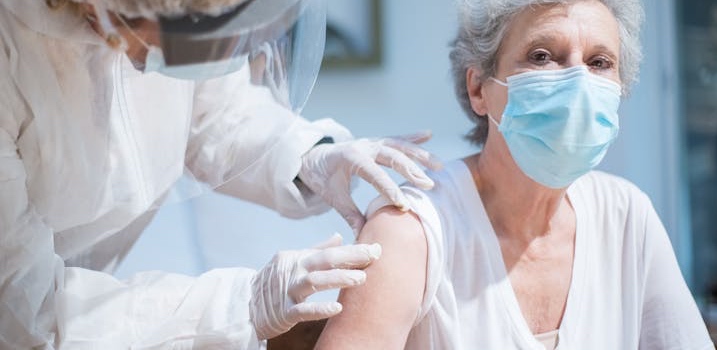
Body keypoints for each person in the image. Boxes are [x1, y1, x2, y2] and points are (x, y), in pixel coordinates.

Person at [0, 0, 442, 348]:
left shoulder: (170, 22)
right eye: (197, 43)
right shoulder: (12, 57)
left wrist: (310, 158)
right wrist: (241, 306)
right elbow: (25, 316)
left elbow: (215, 116)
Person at [316, 0, 716, 349]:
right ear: (479, 89)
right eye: (542, 56)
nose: (578, 82)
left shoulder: (627, 215)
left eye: (599, 62)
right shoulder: (412, 232)